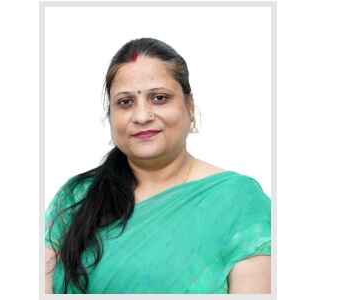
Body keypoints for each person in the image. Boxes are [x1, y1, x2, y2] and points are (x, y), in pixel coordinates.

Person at [44, 37, 271, 294]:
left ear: (190, 106)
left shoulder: (239, 202)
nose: (142, 116)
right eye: (125, 102)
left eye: (159, 98)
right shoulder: (76, 198)